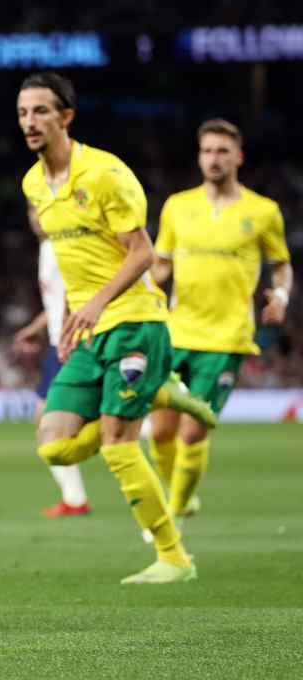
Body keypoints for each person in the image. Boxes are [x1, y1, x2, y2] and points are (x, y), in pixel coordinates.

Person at [17, 71, 213, 584]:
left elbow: (143, 252)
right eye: (22, 113)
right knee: (53, 443)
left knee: (119, 443)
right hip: (87, 332)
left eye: (40, 111)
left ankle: (174, 557)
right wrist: (65, 318)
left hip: (134, 322)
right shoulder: (34, 184)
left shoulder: (105, 173)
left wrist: (96, 304)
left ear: (66, 117)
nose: (30, 122)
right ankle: (162, 393)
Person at [143, 119, 292, 530]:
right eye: (207, 150)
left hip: (227, 337)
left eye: (223, 151)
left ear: (238, 157)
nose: (214, 158)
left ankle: (174, 509)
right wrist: (136, 291)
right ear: (199, 156)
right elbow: (161, 266)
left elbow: (281, 267)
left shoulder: (263, 212)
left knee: (192, 433)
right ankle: (181, 498)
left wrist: (279, 297)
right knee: (159, 433)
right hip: (176, 332)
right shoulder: (177, 206)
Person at [12, 224, 90, 518]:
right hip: (59, 343)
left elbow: (77, 294)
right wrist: (37, 327)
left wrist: (70, 330)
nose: (35, 218)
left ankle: (75, 498)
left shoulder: (65, 246)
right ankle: (74, 498)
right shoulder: (47, 248)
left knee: (52, 423)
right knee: (45, 421)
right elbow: (56, 302)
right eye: (31, 212)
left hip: (73, 343)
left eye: (39, 211)